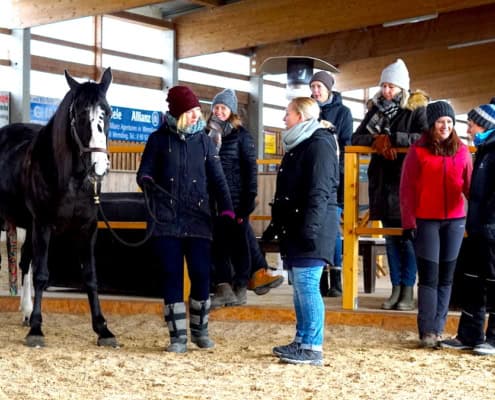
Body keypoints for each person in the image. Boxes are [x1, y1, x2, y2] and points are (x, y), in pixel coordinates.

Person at [136, 85, 234, 353]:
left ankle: (200, 330)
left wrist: (227, 209)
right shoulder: (157, 140)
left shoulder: (204, 142)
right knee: (171, 276)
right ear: (178, 113)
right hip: (166, 220)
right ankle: (177, 337)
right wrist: (146, 181)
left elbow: (217, 179)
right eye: (190, 112)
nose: (196, 116)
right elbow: (143, 171)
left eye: (196, 111)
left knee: (202, 275)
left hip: (198, 219)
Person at [263, 97, 339, 366]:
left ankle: (313, 346)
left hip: (311, 226)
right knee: (299, 287)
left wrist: (311, 228)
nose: (284, 119)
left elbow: (319, 191)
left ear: (301, 116)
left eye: (288, 114)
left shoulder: (319, 144)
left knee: (307, 285)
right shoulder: (301, 144)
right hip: (297, 225)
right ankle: (302, 339)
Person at [351, 58, 428, 311]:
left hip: (406, 181)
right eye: (384, 85)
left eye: (391, 87)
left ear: (402, 89)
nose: (386, 91)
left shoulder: (416, 110)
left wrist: (394, 139)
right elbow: (355, 137)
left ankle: (408, 289)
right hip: (382, 184)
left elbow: (424, 137)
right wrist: (376, 140)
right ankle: (395, 288)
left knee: (407, 237)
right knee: (390, 239)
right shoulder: (374, 111)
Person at [400, 101, 472, 348]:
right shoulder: (417, 152)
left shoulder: (462, 151)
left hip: (455, 221)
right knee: (429, 277)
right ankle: (427, 330)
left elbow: (470, 187)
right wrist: (408, 221)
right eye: (441, 122)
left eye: (450, 122)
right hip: (426, 221)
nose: (445, 126)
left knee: (447, 277)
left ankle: (439, 328)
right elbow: (407, 190)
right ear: (432, 124)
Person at [207, 89, 283, 308]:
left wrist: (249, 199)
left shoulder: (242, 136)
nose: (219, 111)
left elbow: (250, 170)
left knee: (239, 243)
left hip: (236, 199)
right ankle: (229, 287)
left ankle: (240, 287)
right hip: (213, 200)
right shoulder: (206, 135)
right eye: (216, 107)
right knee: (219, 244)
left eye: (223, 108)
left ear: (231, 111)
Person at [440, 103, 495, 355]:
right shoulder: (484, 150)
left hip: (491, 227)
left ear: (484, 124)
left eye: (471, 124)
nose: (469, 129)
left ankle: (493, 338)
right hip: (477, 227)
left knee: (493, 281)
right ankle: (469, 334)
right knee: (473, 280)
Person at [309, 70, 353, 297]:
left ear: (328, 89)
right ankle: (320, 278)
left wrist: (337, 171)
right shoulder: (308, 110)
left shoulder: (343, 112)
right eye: (313, 87)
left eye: (319, 87)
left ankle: (335, 276)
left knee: (331, 226)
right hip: (312, 175)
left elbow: (348, 144)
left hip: (335, 177)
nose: (315, 91)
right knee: (315, 225)